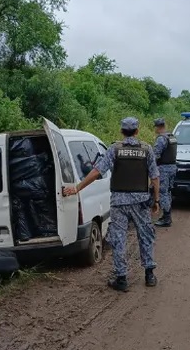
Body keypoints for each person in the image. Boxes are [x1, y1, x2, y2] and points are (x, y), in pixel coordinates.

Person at [63, 117, 160, 292]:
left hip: (119, 203)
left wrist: (77, 188)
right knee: (145, 236)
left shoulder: (115, 150)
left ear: (122, 132)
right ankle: (149, 275)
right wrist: (157, 200)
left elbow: (97, 171)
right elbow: (155, 177)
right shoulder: (147, 150)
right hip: (140, 203)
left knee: (119, 238)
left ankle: (121, 278)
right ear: (137, 131)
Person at [152, 117, 178, 227]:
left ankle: (166, 218)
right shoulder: (171, 137)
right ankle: (166, 215)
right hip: (172, 167)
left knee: (163, 193)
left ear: (158, 127)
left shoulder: (161, 139)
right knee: (168, 192)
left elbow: (155, 155)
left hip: (164, 169)